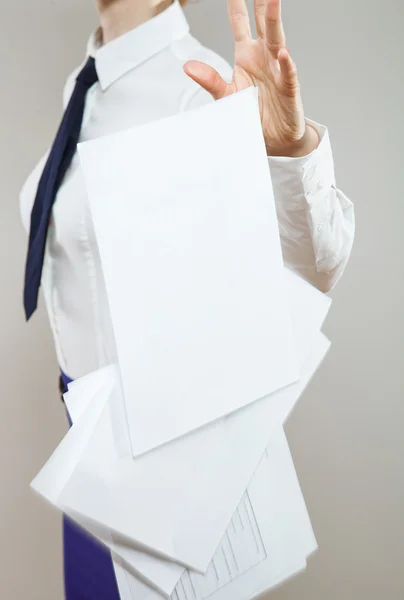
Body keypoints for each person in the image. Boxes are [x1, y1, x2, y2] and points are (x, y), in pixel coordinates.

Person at [19, 0, 355, 598]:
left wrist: (287, 153)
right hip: (95, 475)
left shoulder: (196, 85)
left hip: (163, 486)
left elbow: (313, 265)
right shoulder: (88, 85)